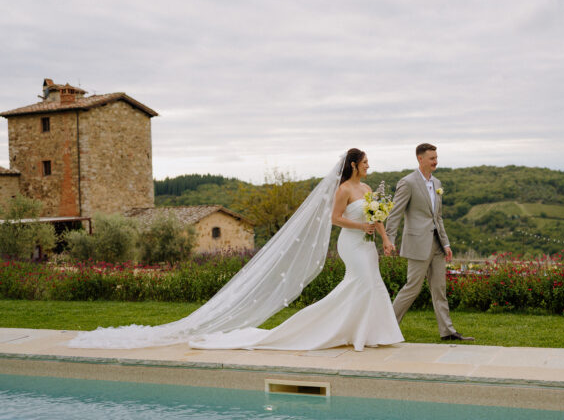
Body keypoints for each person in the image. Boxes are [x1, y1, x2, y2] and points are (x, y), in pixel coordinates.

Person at [69, 149, 403, 351]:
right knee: (360, 285)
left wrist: (385, 239)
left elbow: (379, 216)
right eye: (366, 161)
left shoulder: (369, 188)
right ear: (354, 164)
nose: (369, 165)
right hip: (351, 243)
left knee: (369, 285)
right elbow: (335, 219)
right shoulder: (344, 189)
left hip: (369, 246)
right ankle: (335, 331)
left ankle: (369, 333)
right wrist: (362, 227)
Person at [384, 143, 474, 341]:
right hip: (417, 244)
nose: (436, 161)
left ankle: (447, 331)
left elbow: (438, 217)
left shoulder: (437, 183)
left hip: (437, 245)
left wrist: (446, 243)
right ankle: (386, 327)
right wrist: (389, 239)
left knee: (439, 288)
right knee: (412, 288)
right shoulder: (407, 183)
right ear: (420, 159)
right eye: (432, 158)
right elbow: (395, 214)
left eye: (436, 157)